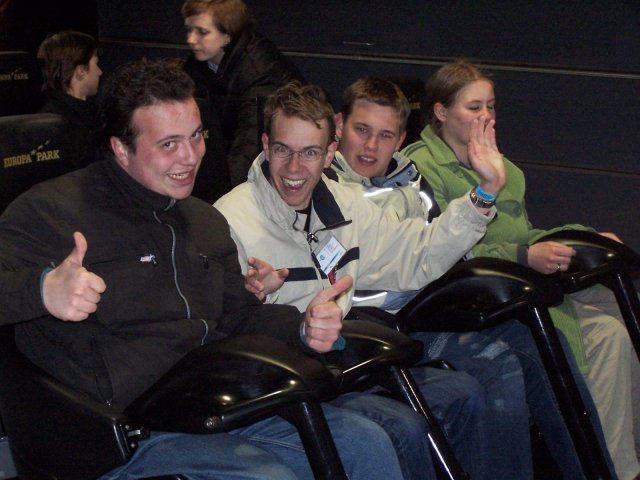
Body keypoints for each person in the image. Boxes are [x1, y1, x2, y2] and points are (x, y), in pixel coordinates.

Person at [0, 58, 408, 480]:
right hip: (124, 430)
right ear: (121, 149)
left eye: (195, 136)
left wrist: (303, 328)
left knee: (365, 444)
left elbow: (236, 317)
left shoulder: (204, 221)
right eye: (169, 144)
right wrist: (42, 289)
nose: (191, 156)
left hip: (210, 402)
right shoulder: (53, 212)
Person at [214, 80, 512, 479]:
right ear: (266, 146)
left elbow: (418, 252)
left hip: (338, 370)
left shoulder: (346, 205)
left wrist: (484, 194)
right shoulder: (230, 219)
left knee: (461, 394)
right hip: (279, 388)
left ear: (329, 154)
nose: (294, 168)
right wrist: (254, 297)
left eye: (310, 153)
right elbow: (223, 327)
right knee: (399, 430)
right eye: (284, 150)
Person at [402, 59, 639, 480]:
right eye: (474, 107)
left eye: (491, 106)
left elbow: (526, 231)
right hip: (485, 299)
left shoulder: (501, 163)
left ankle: (624, 462)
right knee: (607, 336)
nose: (486, 117)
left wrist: (586, 237)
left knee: (623, 306)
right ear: (441, 111)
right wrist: (523, 254)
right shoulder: (419, 169)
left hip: (526, 282)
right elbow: (442, 253)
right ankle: (605, 467)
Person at [182, 0, 305, 187]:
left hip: (283, 167)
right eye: (189, 30)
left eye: (202, 32)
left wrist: (222, 197)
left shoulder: (259, 72)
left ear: (227, 36)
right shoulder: (199, 64)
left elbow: (250, 146)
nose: (191, 39)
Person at [36, 30, 102, 167]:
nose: (100, 72)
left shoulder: (85, 114)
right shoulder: (60, 128)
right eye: (96, 63)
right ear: (81, 71)